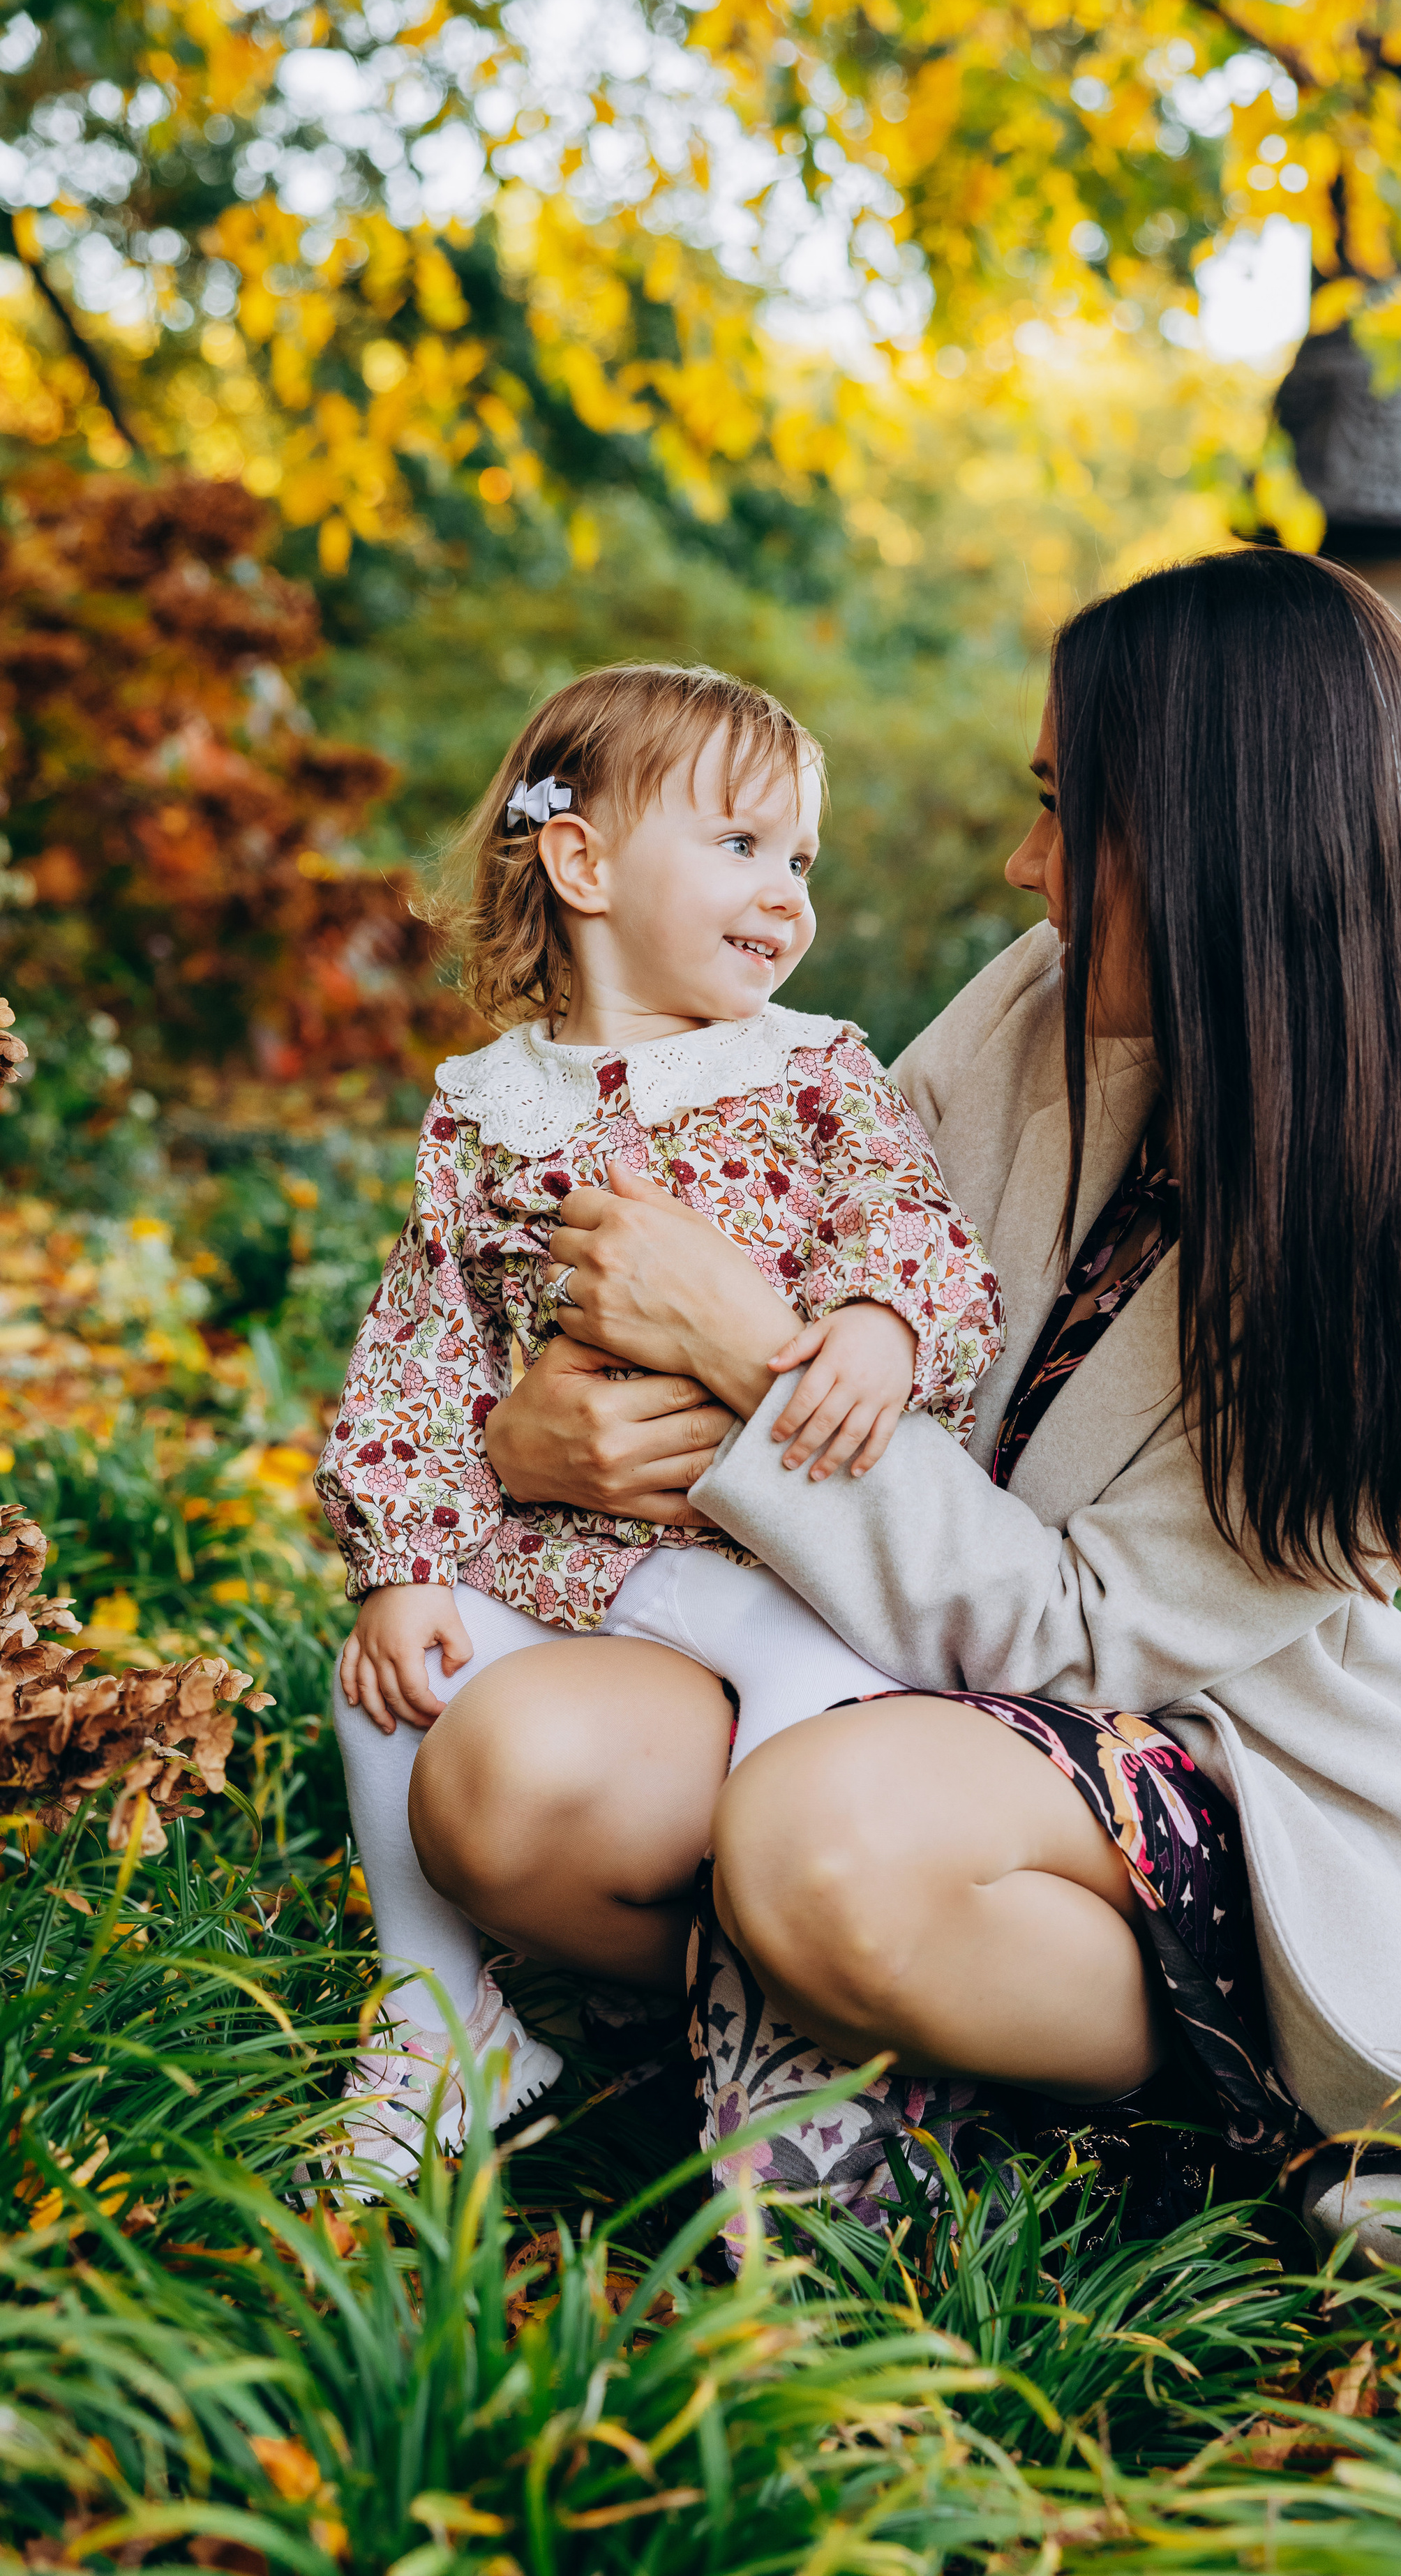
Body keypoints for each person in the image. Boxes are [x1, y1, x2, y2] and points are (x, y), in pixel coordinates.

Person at [408, 552, 1401, 2256]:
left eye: (1068, 811)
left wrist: (755, 1363)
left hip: (1192, 1757)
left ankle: (1214, 2105)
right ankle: (914, 2047)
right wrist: (532, 1437)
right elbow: (807, 1261)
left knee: (821, 1836)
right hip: (861, 1649)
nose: (1023, 862)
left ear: (1220, 840)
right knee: (505, 1784)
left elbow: (1072, 1629)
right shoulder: (1040, 999)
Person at [316, 661, 1004, 2186]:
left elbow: (917, 1232)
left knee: (812, 1732)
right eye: (742, 846)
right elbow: (422, 1343)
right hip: (556, 1561)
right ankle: (445, 2016)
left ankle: (811, 2054)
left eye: (800, 859)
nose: (784, 892)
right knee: (380, 1686)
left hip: (772, 1556)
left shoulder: (811, 1069)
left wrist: (883, 1322)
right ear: (582, 863)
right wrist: (407, 1560)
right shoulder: (487, 1106)